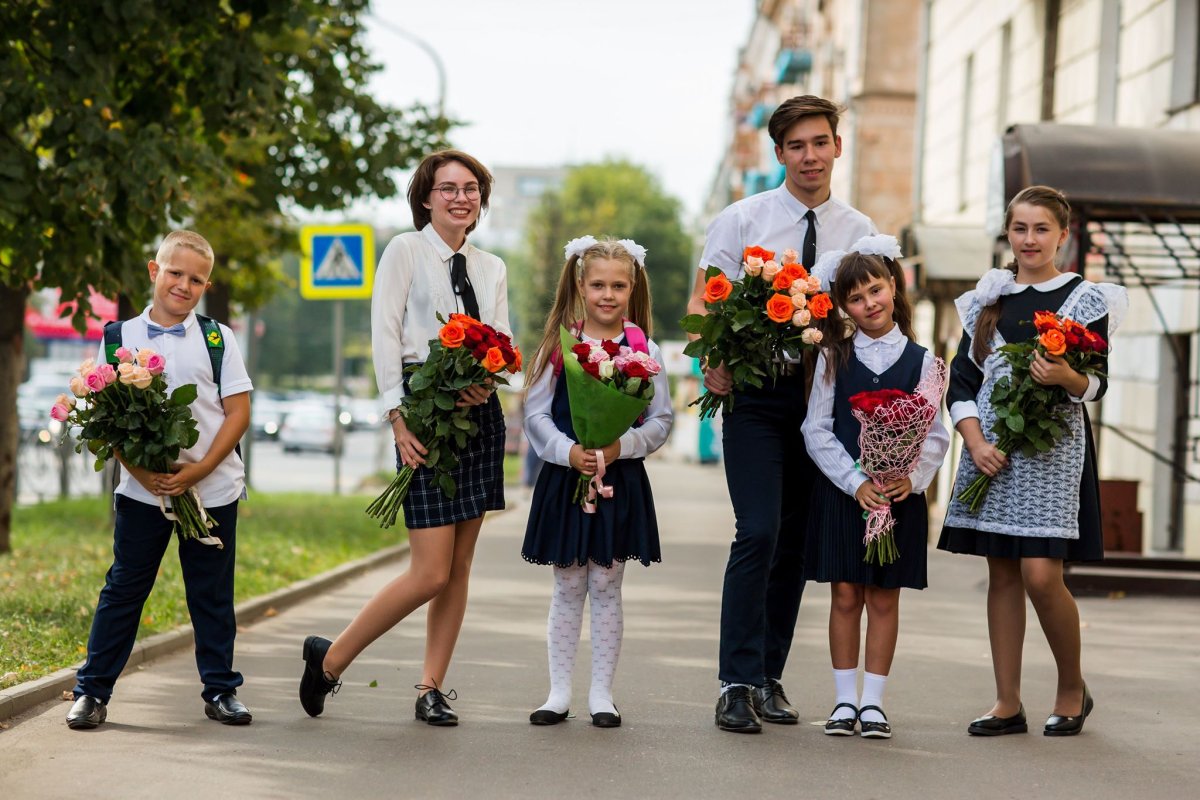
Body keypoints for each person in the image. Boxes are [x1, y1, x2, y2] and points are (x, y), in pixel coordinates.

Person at [298, 149, 509, 726]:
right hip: (422, 409)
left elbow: (504, 339)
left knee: (459, 569)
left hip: (479, 415)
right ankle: (330, 659)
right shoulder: (404, 251)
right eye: (448, 188)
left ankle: (430, 688)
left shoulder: (492, 267)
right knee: (430, 571)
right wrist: (398, 417)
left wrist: (488, 379)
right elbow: (385, 334)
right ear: (426, 197)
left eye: (471, 188)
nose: (461, 197)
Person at [687, 95, 876, 733]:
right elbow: (703, 305)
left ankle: (769, 676)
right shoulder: (742, 220)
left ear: (836, 148)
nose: (810, 156)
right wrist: (712, 359)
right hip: (755, 399)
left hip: (823, 402)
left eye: (820, 142)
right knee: (759, 531)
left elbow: (870, 314)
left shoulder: (860, 230)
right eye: (796, 146)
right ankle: (734, 682)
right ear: (779, 155)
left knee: (794, 544)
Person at [939, 185, 1126, 737]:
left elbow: (1097, 384)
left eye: (1041, 229)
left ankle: (1072, 687)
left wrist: (1065, 376)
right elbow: (961, 383)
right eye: (1019, 228)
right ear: (1008, 233)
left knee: (1042, 575)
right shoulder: (985, 301)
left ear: (1062, 236)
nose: (1029, 239)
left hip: (1052, 453)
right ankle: (1006, 702)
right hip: (990, 452)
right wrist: (973, 442)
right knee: (1001, 574)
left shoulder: (1087, 300)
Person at [67, 230, 254, 729]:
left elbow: (238, 411)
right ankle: (92, 692)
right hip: (141, 493)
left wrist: (199, 470)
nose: (183, 285)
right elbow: (109, 419)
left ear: (206, 285)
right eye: (175, 273)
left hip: (212, 489)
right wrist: (141, 472)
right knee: (125, 588)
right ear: (155, 271)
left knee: (210, 593)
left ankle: (220, 691)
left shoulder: (218, 338)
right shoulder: (118, 339)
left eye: (195, 279)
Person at [520, 237, 673, 728]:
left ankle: (602, 694)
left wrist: (615, 448)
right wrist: (570, 452)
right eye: (599, 284)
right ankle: (558, 691)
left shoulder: (642, 348)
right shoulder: (559, 344)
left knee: (607, 582)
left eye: (619, 285)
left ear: (633, 288)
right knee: (568, 583)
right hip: (566, 479)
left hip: (619, 478)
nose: (608, 294)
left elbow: (661, 420)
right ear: (580, 286)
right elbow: (536, 412)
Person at [802, 237, 949, 739]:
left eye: (876, 290)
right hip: (848, 494)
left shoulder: (925, 362)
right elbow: (816, 429)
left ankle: (874, 703)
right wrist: (855, 481)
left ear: (893, 287)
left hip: (899, 497)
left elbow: (936, 433)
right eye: (857, 298)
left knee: (885, 597)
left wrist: (914, 477)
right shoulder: (832, 358)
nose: (870, 303)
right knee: (845, 593)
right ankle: (844, 701)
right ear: (844, 307)